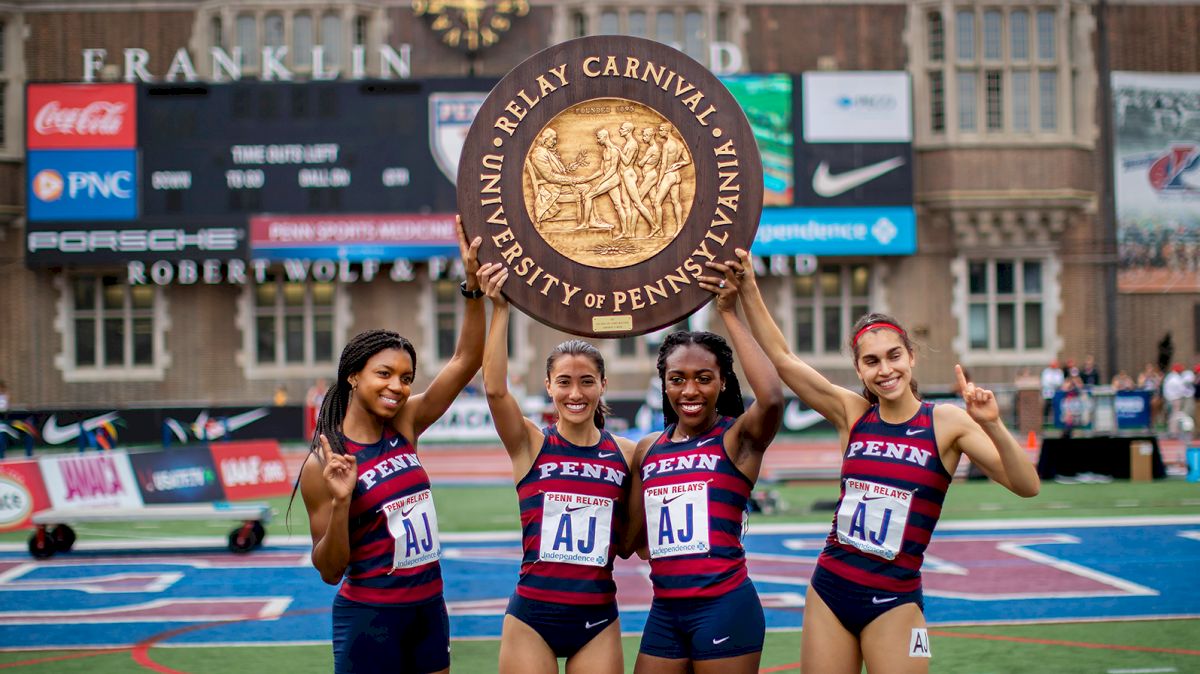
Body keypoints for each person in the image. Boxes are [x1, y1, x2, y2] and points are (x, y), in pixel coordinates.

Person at [727, 248, 1039, 673]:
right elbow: (783, 359)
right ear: (859, 369)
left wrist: (994, 425)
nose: (885, 369)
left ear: (910, 356)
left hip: (894, 598)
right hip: (830, 588)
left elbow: (1027, 485)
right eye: (871, 361)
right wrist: (748, 287)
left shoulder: (946, 422)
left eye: (893, 356)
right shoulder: (852, 414)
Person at [296, 217, 484, 674]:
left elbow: (465, 361)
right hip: (371, 617)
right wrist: (341, 503)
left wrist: (473, 289)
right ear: (354, 375)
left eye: (405, 378)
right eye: (384, 374)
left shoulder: (406, 422)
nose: (397, 387)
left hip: (429, 609)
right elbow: (328, 569)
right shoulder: (325, 462)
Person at [477, 262, 637, 674]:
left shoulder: (627, 453)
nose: (575, 392)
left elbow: (633, 538)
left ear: (603, 385)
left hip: (597, 618)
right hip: (533, 617)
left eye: (586, 381)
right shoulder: (531, 444)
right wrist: (500, 309)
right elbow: (495, 390)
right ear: (548, 386)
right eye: (564, 381)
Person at [627, 263, 784, 674]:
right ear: (664, 384)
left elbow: (770, 398)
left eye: (704, 378)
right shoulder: (648, 450)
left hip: (725, 608)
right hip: (664, 612)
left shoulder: (737, 440)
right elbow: (634, 543)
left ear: (723, 383)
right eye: (677, 379)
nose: (690, 390)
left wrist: (729, 313)